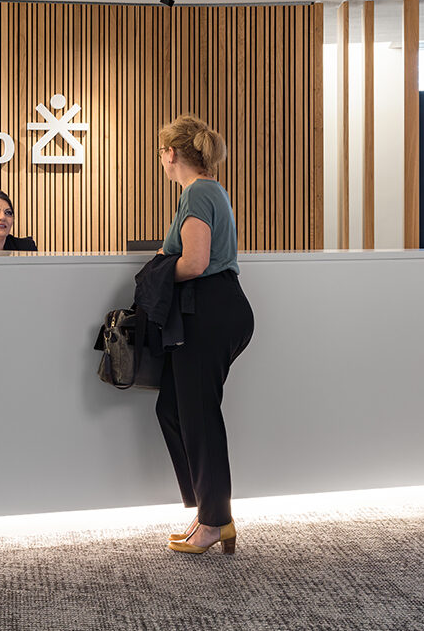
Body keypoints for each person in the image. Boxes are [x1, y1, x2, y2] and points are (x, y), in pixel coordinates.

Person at [154, 115, 254, 555]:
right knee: (174, 407)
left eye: (161, 152)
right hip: (214, 308)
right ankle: (210, 510)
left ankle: (215, 520)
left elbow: (194, 263)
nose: (161, 159)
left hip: (208, 310)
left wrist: (156, 269)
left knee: (199, 415)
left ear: (171, 154)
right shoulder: (207, 191)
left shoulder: (197, 191)